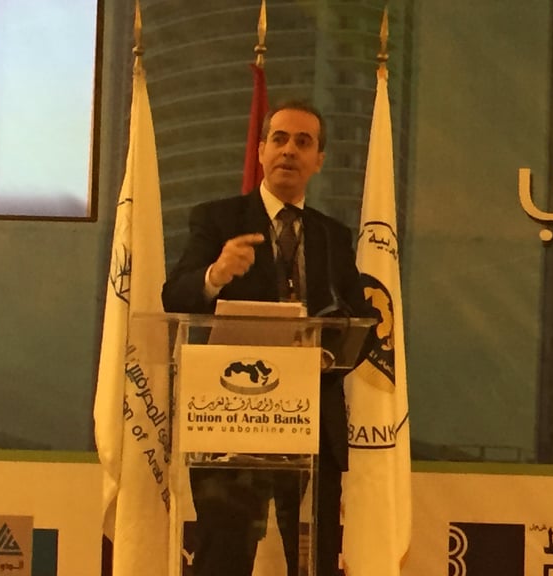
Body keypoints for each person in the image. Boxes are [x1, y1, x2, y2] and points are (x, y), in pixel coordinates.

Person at [162, 100, 369, 576]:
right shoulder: (219, 220)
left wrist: (319, 358)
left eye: (303, 142)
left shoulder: (333, 236)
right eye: (279, 139)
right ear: (260, 151)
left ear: (319, 160)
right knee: (224, 560)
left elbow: (360, 322)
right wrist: (215, 274)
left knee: (314, 562)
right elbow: (175, 295)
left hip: (312, 421)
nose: (289, 150)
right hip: (230, 420)